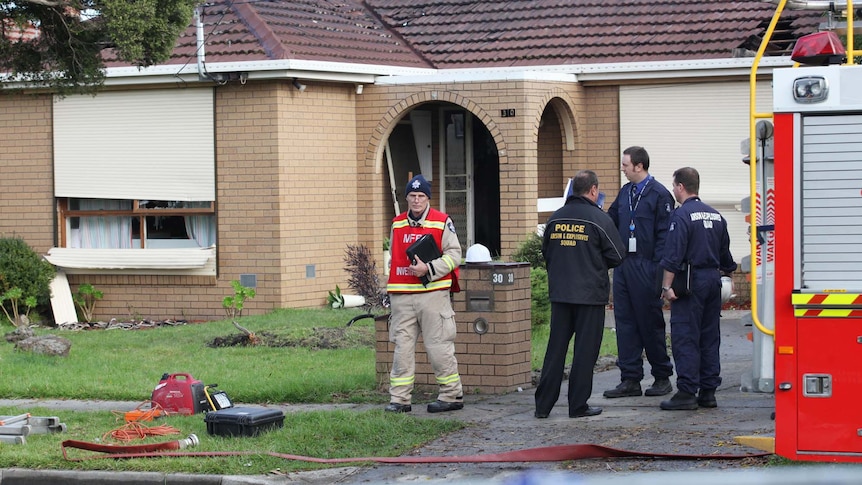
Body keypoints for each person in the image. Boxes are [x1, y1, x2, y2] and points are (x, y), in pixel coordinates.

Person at [535, 170, 625, 419]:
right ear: (593, 190)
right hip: (589, 296)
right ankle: (578, 406)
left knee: (555, 351)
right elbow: (618, 255)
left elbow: (547, 253)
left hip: (561, 295)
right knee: (584, 353)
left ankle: (543, 406)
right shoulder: (599, 219)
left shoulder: (555, 219)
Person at [658, 167, 736, 410]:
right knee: (709, 337)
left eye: (674, 186)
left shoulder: (681, 217)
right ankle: (708, 391)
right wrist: (728, 281)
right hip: (713, 281)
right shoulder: (716, 216)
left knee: (686, 337)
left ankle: (687, 392)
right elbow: (726, 258)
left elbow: (673, 255)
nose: (673, 190)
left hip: (690, 284)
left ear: (681, 186)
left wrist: (666, 287)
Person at [384, 174, 463, 414]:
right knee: (402, 349)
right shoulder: (397, 223)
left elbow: (455, 255)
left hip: (433, 293)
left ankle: (452, 395)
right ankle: (399, 400)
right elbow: (395, 257)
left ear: (428, 198)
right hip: (402, 295)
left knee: (438, 346)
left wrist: (428, 269)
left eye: (421, 196)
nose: (416, 201)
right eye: (412, 196)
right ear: (407, 197)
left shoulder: (441, 221)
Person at [603, 146, 676, 399]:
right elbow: (610, 220)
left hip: (647, 265)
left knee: (649, 323)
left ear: (639, 166)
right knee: (624, 323)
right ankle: (630, 378)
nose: (622, 169)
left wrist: (658, 270)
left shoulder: (659, 195)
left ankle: (662, 376)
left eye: (625, 165)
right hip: (624, 265)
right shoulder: (625, 193)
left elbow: (665, 236)